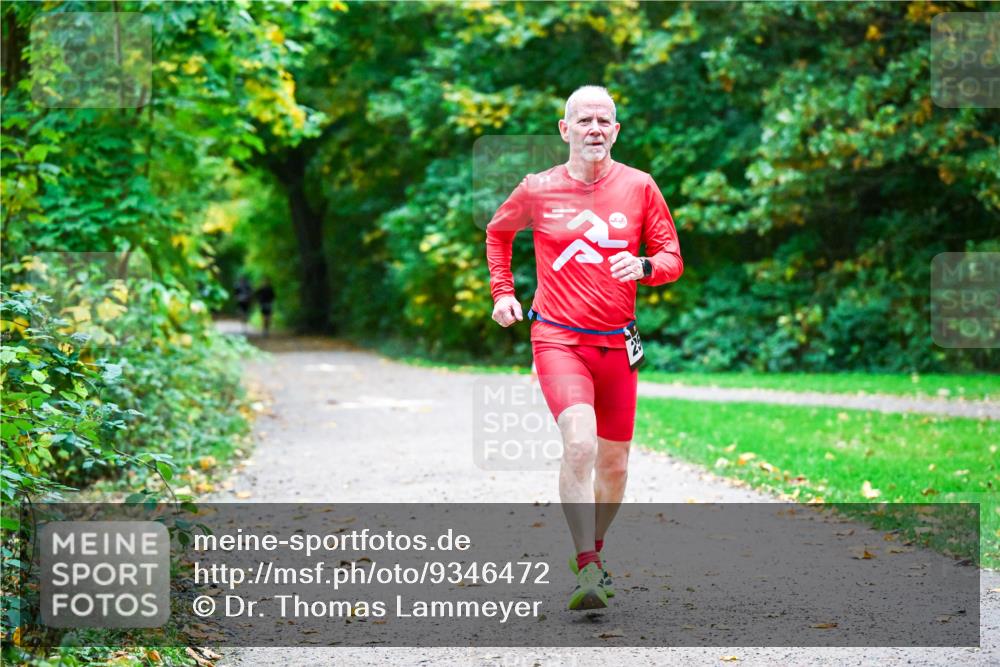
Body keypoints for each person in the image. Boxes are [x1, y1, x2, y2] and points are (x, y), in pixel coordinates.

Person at [485, 85, 683, 610]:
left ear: (616, 131)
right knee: (580, 443)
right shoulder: (537, 188)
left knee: (615, 465)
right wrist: (503, 292)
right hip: (558, 337)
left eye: (604, 121)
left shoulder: (640, 187)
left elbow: (671, 257)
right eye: (584, 120)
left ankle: (592, 552)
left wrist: (643, 267)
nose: (594, 129)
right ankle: (589, 566)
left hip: (618, 344)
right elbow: (497, 233)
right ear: (564, 128)